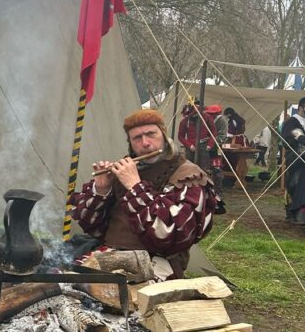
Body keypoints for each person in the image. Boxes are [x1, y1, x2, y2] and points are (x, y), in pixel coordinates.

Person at [69, 109, 218, 280]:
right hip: (109, 253)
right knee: (66, 284)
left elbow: (167, 235)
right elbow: (91, 226)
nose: (145, 143)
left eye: (151, 134)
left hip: (157, 260)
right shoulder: (123, 170)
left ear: (164, 135)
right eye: (137, 138)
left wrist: (134, 186)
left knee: (121, 298)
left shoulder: (187, 175)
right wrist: (102, 189)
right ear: (130, 143)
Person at [281, 97, 305, 222]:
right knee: (293, 183)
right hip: (296, 158)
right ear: (301, 108)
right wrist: (301, 140)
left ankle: (304, 212)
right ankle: (290, 212)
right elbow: (287, 139)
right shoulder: (292, 121)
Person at [177, 100, 216, 171]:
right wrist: (189, 145)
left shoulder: (207, 117)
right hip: (191, 146)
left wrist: (210, 144)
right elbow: (180, 136)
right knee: (189, 167)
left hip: (204, 145)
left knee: (204, 168)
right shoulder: (185, 121)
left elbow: (213, 132)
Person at [204, 104, 228, 213]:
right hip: (205, 148)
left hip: (216, 150)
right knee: (204, 169)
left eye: (212, 114)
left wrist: (211, 142)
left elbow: (222, 136)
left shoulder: (222, 121)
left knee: (217, 170)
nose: (210, 115)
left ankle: (218, 192)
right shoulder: (207, 119)